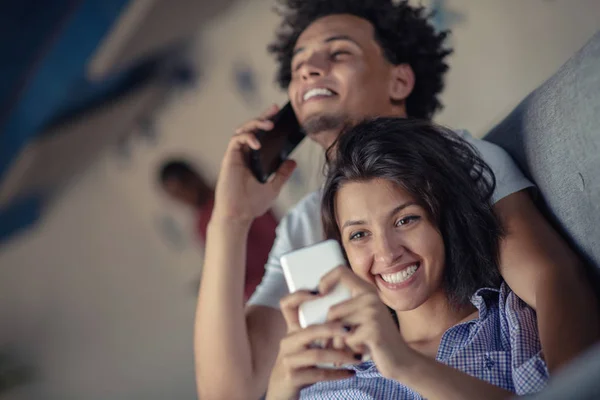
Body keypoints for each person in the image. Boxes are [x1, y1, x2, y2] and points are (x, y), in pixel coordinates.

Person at [194, 1, 598, 398]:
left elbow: (551, 279)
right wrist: (230, 218)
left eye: (338, 52)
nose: (308, 69)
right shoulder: (303, 222)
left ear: (399, 81)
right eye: (299, 65)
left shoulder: (462, 161)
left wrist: (571, 389)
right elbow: (229, 391)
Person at [266, 117, 549, 400]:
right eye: (359, 235)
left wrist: (405, 364)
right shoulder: (328, 376)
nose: (387, 254)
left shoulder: (512, 324)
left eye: (405, 220)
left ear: (446, 221)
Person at [159, 159, 277, 301]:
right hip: (259, 295)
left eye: (183, 188)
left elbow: (273, 233)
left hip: (278, 275)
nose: (184, 197)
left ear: (194, 176)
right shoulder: (201, 226)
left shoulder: (233, 194)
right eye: (177, 196)